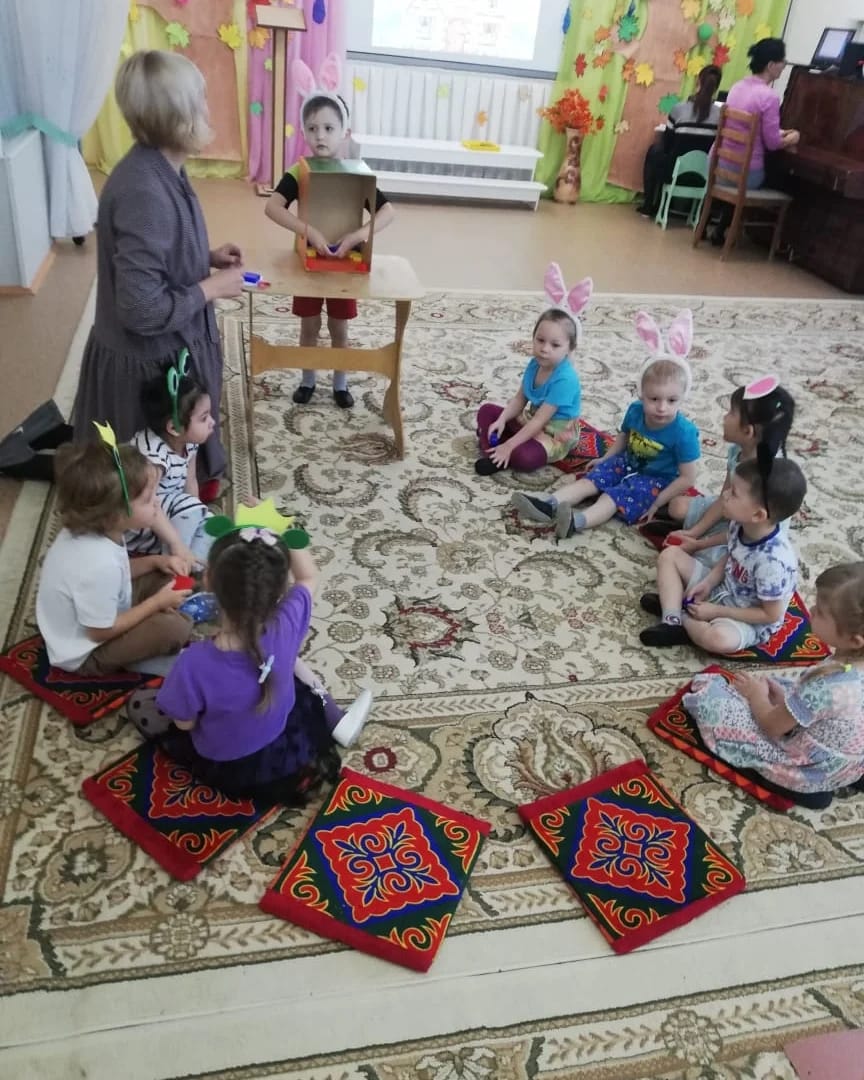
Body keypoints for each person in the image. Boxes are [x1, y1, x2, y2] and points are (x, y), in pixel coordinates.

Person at [72, 50, 245, 493]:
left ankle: (189, 478)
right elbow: (141, 309)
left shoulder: (163, 166)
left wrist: (205, 257)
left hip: (168, 349)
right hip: (147, 362)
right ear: (178, 116)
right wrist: (211, 287)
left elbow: (157, 252)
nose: (208, 110)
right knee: (144, 489)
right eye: (200, 101)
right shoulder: (143, 191)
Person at [127, 514, 373, 805]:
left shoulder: (193, 663)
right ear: (279, 590)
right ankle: (333, 717)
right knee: (292, 674)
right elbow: (308, 576)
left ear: (208, 580)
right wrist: (280, 524)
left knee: (141, 703)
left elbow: (185, 725)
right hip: (283, 741)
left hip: (229, 765)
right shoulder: (287, 623)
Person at [265, 57, 395, 409]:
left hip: (344, 266)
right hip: (309, 266)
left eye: (328, 128)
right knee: (308, 326)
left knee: (340, 328)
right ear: (303, 132)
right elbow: (273, 207)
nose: (320, 135)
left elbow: (388, 211)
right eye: (312, 128)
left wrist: (357, 236)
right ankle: (308, 379)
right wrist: (307, 231)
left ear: (344, 132)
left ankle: (340, 383)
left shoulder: (355, 173)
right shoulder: (299, 171)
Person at [682, 562, 864, 810]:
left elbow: (771, 726)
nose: (811, 609)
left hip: (811, 768)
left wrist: (756, 696)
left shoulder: (826, 685)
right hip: (849, 764)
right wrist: (784, 699)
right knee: (781, 686)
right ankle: (828, 779)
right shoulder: (848, 670)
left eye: (821, 612)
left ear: (854, 640)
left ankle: (801, 786)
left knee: (710, 695)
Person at [511, 309, 700, 540]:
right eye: (654, 399)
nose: (662, 407)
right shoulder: (635, 411)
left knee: (611, 497)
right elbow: (624, 436)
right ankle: (548, 504)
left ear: (682, 398)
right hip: (626, 462)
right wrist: (606, 458)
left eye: (671, 401)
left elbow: (688, 477)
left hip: (656, 481)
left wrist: (658, 502)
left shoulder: (684, 433)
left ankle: (576, 522)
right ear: (641, 394)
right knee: (591, 480)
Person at [36, 439, 193, 678]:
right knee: (175, 628)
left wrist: (154, 561)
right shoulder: (99, 564)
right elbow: (99, 632)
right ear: (114, 514)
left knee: (166, 574)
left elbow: (119, 570)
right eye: (148, 499)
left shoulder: (102, 532)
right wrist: (156, 604)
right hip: (87, 652)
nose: (158, 502)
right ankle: (145, 662)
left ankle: (156, 619)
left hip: (101, 610)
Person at [640, 455, 806, 651]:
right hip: (723, 588)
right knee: (670, 556)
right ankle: (671, 620)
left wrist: (717, 611)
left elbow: (770, 615)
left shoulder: (773, 563)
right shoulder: (741, 523)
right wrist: (708, 582)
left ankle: (681, 613)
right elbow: (732, 554)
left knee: (719, 639)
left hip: (745, 617)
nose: (725, 494)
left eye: (734, 493)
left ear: (758, 514)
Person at [648, 377, 796, 561]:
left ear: (747, 431)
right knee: (677, 507)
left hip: (750, 534)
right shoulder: (737, 450)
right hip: (734, 507)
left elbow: (746, 535)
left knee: (710, 558)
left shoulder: (766, 477)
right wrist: (694, 532)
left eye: (731, 413)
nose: (724, 417)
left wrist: (702, 543)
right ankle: (698, 533)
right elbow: (724, 497)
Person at [476, 268, 592, 477]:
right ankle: (495, 451)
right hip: (530, 421)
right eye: (540, 340)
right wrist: (502, 419)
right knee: (487, 412)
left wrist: (509, 445)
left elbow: (540, 420)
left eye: (555, 345)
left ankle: (496, 452)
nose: (544, 349)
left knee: (525, 458)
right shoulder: (534, 363)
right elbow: (519, 400)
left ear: (570, 349)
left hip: (553, 434)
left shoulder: (565, 379)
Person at [125, 351, 215, 565]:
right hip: (142, 524)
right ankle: (175, 564)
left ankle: (196, 565)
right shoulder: (152, 458)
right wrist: (177, 544)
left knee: (210, 523)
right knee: (188, 507)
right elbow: (144, 504)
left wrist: (198, 514)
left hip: (171, 512)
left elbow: (190, 482)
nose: (212, 422)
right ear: (174, 427)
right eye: (204, 418)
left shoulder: (189, 442)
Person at [708, 38, 800, 245]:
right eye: (783, 62)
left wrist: (778, 133)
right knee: (783, 179)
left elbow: (750, 127)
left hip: (717, 167)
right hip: (744, 177)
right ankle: (777, 242)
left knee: (749, 168)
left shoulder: (737, 87)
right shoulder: (770, 97)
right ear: (771, 65)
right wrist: (792, 138)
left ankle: (718, 228)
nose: (783, 66)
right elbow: (772, 143)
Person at [637, 64, 722, 219]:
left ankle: (649, 205)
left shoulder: (679, 109)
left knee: (654, 151)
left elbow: (667, 144)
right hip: (703, 178)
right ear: (716, 87)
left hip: (674, 174)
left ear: (698, 81)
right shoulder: (721, 115)